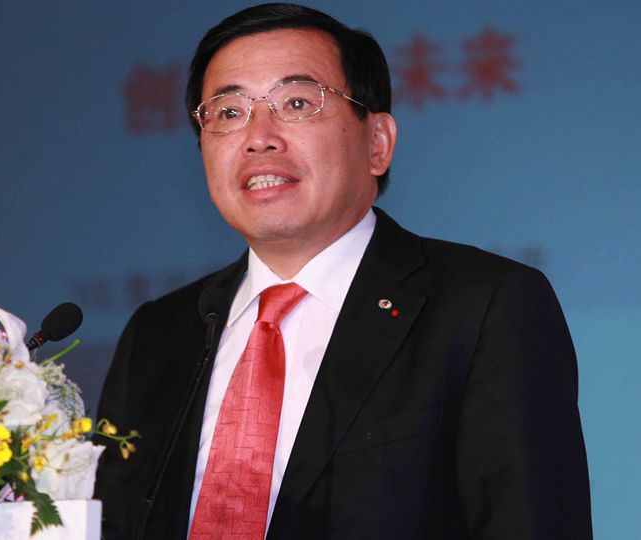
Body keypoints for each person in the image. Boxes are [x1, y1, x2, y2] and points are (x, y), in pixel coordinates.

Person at [94, 3, 592, 539]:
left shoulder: (483, 308)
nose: (259, 137)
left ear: (377, 143)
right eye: (229, 112)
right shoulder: (157, 334)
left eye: (297, 102)